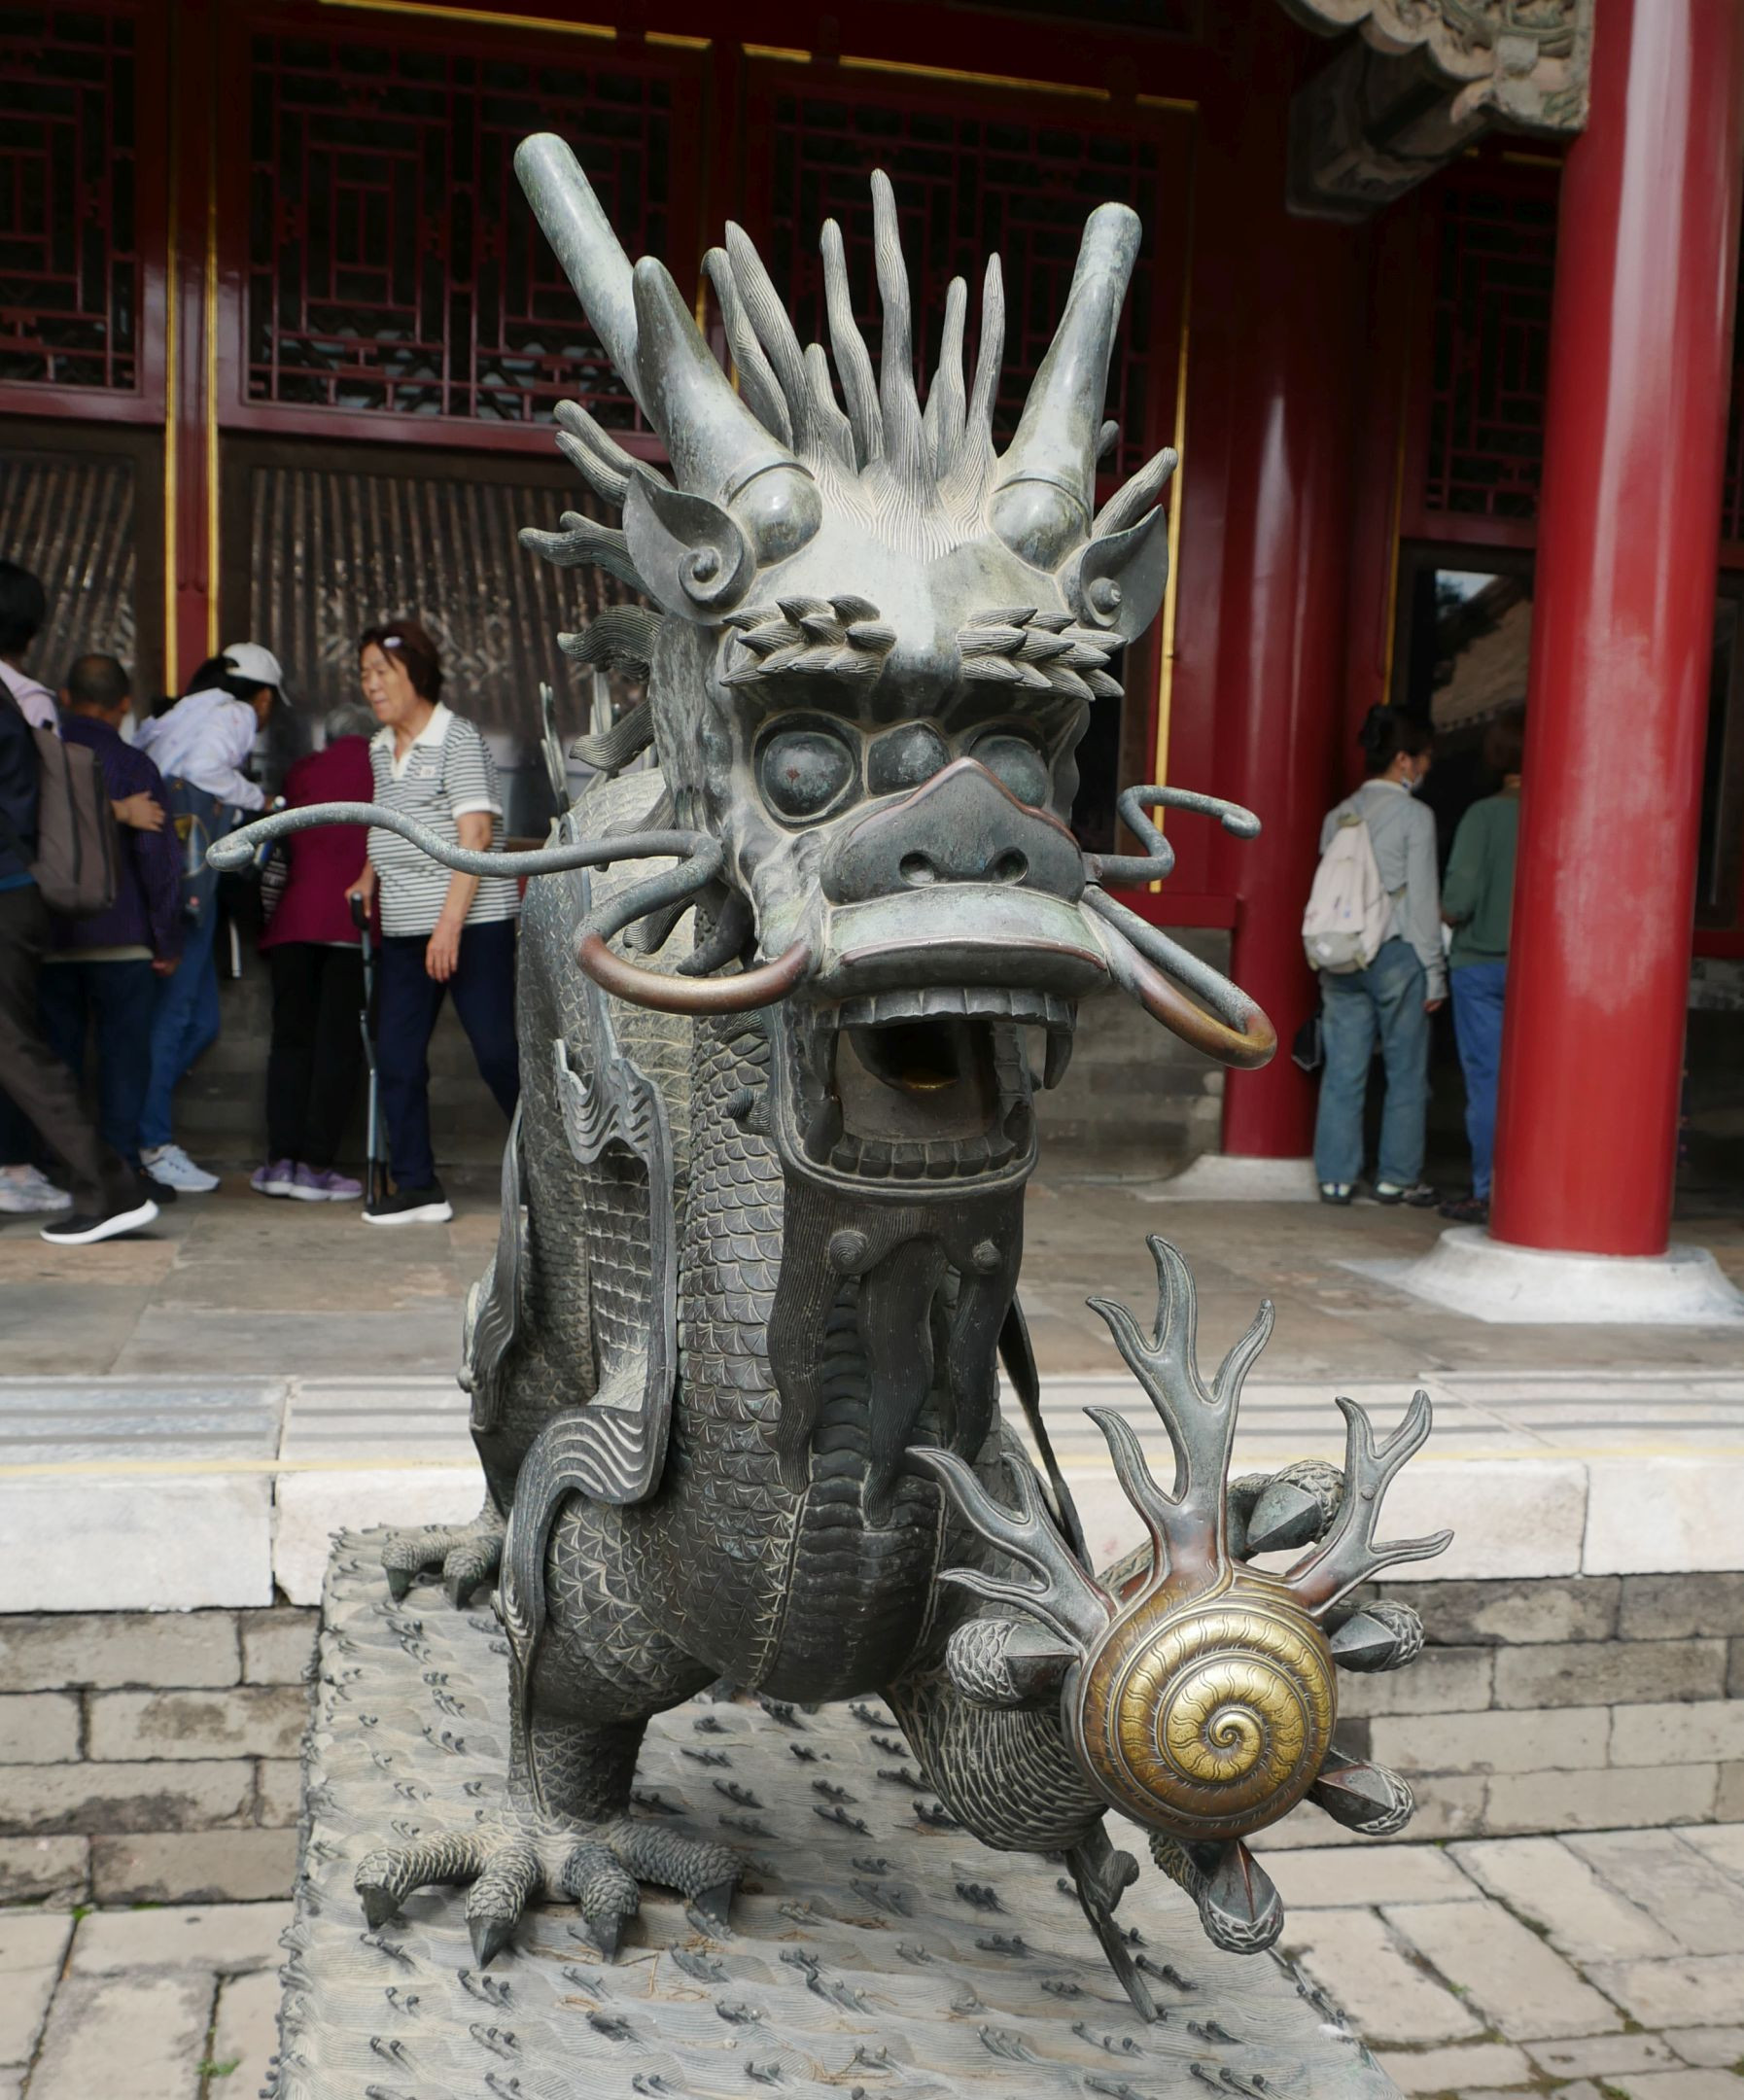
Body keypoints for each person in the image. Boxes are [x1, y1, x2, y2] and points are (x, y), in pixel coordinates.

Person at [0, 561, 164, 1211]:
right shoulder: (25, 702)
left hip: (10, 893)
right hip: (31, 898)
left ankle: (108, 1182)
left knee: (18, 1049)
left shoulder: (22, 704)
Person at [346, 618, 519, 1225]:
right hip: (402, 928)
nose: (370, 685)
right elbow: (389, 823)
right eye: (364, 673)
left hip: (472, 926)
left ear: (415, 672)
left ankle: (549, 1168)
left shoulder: (458, 739)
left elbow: (475, 837)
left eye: (381, 672)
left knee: (499, 1053)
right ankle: (417, 1185)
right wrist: (369, 876)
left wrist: (448, 927)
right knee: (394, 1056)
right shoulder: (378, 745)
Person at [131, 643, 285, 1194]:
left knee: (200, 1023)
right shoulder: (234, 712)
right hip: (192, 881)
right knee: (176, 1020)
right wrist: (261, 800)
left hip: (160, 878)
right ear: (261, 695)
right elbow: (202, 772)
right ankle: (147, 1140)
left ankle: (133, 1121)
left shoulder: (173, 715)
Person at [38, 656, 184, 1189]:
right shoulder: (134, 766)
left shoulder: (42, 759)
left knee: (58, 1058)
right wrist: (166, 937)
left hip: (52, 935)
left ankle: (66, 1168)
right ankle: (120, 1167)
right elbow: (159, 860)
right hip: (122, 940)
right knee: (125, 1059)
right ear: (125, 704)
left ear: (64, 695)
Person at [1312, 707, 1447, 1207]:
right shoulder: (1416, 817)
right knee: (1406, 1071)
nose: (1427, 768)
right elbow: (1421, 904)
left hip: (1340, 956)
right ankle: (1395, 1177)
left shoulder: (1338, 815)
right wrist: (1434, 973)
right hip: (1396, 956)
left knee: (1343, 1070)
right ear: (1405, 760)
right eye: (1426, 758)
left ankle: (1335, 1177)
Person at [252, 701, 375, 1202]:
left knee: (290, 1042)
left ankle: (280, 1162)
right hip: (353, 923)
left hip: (293, 923)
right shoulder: (386, 768)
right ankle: (317, 1169)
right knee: (337, 1046)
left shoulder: (303, 770)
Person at [1438, 710, 1524, 1226]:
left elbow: (1458, 901)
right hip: (1541, 975)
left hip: (1479, 967)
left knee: (1488, 1083)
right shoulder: (1557, 812)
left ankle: (1488, 1188)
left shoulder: (1483, 816)